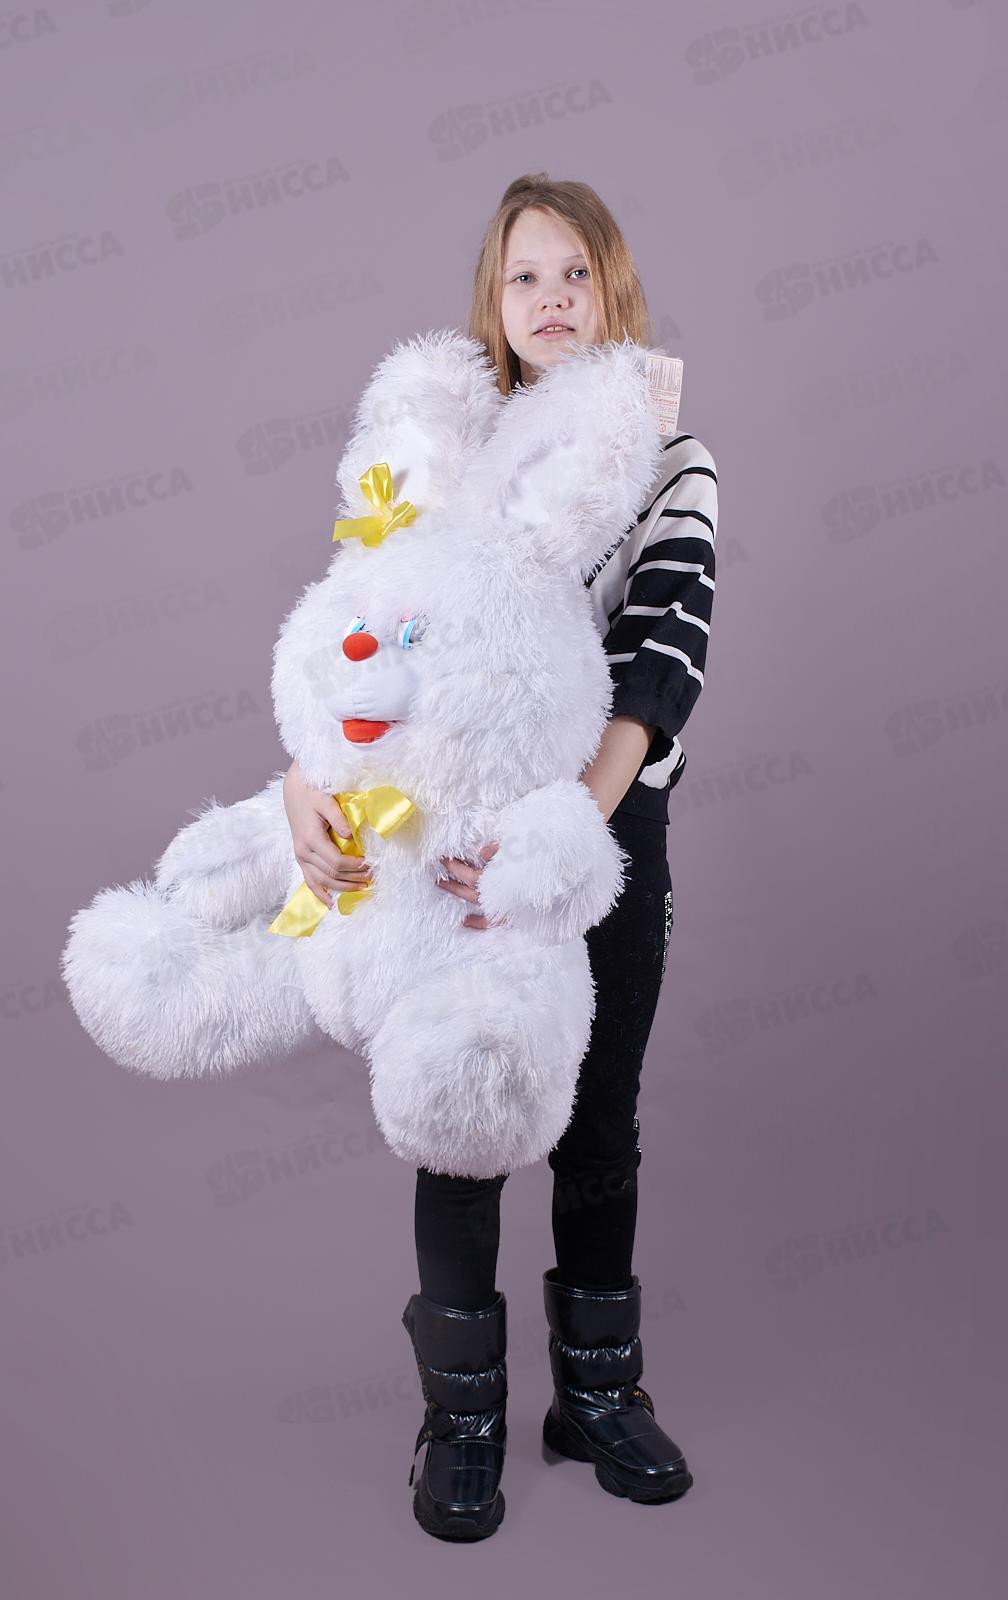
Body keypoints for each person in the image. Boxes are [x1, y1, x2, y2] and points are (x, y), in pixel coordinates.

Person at [281, 173, 718, 1541]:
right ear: (494, 299)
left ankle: (598, 1396)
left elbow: (661, 663)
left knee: (599, 1121)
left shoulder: (673, 460)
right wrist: (304, 779)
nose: (552, 299)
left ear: (613, 286)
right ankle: (461, 1421)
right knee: (462, 1111)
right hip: (448, 832)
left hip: (602, 828)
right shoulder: (441, 457)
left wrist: (567, 827)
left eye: (576, 273)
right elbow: (358, 631)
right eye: (526, 276)